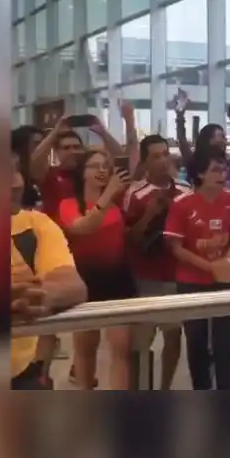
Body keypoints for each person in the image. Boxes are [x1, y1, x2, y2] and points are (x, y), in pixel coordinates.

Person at [164, 147, 230, 390]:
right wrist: (209, 266)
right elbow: (176, 248)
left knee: (225, 342)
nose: (222, 174)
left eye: (224, 169)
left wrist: (226, 262)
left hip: (224, 280)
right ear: (200, 174)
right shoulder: (182, 204)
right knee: (197, 343)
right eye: (215, 170)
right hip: (191, 283)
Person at [58, 150, 137, 389]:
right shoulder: (69, 204)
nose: (102, 170)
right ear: (82, 173)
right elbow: (82, 228)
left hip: (117, 279)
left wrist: (129, 121)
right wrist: (109, 194)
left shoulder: (118, 199)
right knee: (85, 347)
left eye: (106, 165)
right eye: (94, 166)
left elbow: (133, 157)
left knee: (121, 348)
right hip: (84, 280)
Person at [11, 151, 88, 389]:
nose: (15, 184)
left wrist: (35, 297)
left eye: (15, 171)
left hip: (19, 372)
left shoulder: (35, 225)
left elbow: (73, 286)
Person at [123, 135, 192, 390]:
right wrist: (150, 213)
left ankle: (165, 387)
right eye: (156, 156)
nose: (163, 160)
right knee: (141, 341)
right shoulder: (135, 193)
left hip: (175, 276)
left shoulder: (185, 190)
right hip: (144, 278)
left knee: (173, 337)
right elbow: (130, 237)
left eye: (166, 153)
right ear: (145, 161)